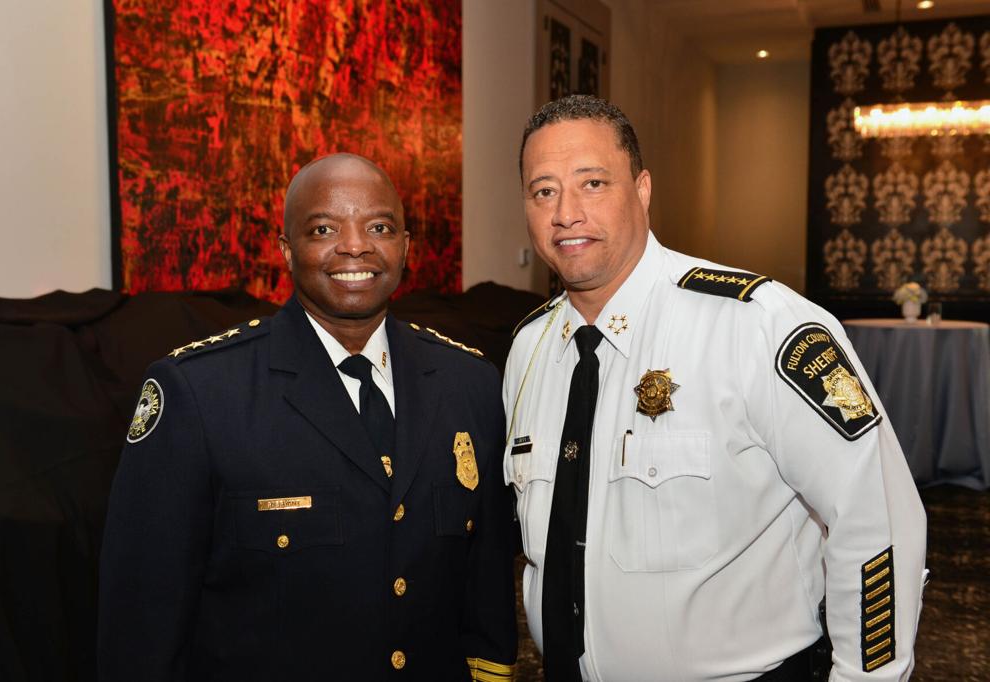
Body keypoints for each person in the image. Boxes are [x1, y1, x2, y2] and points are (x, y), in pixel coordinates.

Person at [503, 95, 927, 681]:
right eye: (542, 190)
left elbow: (877, 520)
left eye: (593, 182)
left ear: (643, 189)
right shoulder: (529, 350)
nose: (566, 212)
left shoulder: (759, 325)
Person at [99, 153, 517, 681]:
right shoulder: (200, 394)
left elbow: (486, 591)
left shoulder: (470, 384)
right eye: (324, 228)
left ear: (405, 247)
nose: (355, 246)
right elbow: (142, 622)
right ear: (286, 250)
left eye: (379, 227)